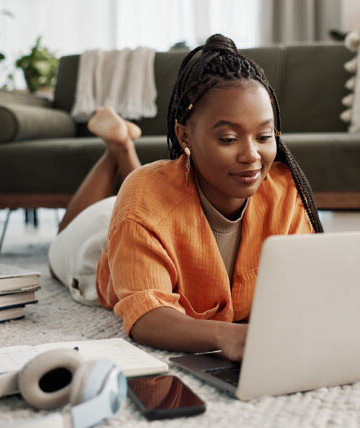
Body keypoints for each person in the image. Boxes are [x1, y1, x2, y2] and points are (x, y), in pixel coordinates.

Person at [48, 34, 324, 361]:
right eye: (229, 138)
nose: (252, 155)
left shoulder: (284, 192)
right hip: (96, 245)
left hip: (148, 209)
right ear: (184, 135)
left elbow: (309, 284)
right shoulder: (142, 200)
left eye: (264, 136)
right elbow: (147, 315)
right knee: (64, 235)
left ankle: (122, 147)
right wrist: (227, 335)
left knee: (143, 190)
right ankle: (117, 151)